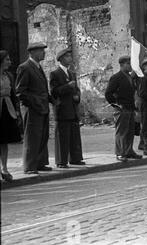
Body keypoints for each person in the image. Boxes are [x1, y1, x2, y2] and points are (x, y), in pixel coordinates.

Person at [15, 42, 53, 174]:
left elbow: (42, 89)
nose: (43, 53)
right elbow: (20, 92)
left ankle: (40, 163)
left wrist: (51, 100)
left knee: (42, 135)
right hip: (32, 108)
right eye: (41, 50)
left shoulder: (38, 67)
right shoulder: (24, 67)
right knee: (32, 136)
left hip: (42, 107)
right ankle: (30, 166)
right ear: (32, 52)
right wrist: (34, 103)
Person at [50, 48, 85, 168]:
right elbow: (54, 92)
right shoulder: (55, 74)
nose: (70, 58)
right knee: (62, 136)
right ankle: (61, 161)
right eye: (67, 56)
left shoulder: (72, 74)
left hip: (73, 108)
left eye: (70, 56)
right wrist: (67, 86)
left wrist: (77, 96)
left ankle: (75, 158)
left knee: (74, 135)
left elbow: (77, 90)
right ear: (61, 59)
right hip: (62, 109)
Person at [105, 55, 143, 162]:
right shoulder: (116, 77)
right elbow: (108, 93)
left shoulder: (130, 77)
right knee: (121, 131)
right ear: (122, 65)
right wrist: (116, 105)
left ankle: (128, 150)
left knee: (130, 130)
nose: (131, 66)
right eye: (128, 64)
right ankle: (120, 152)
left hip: (130, 107)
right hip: (121, 108)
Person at [0, 50, 22, 182]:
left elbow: (13, 94)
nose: (10, 62)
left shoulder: (9, 75)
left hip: (7, 110)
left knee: (4, 140)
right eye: (7, 59)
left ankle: (4, 168)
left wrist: (17, 111)